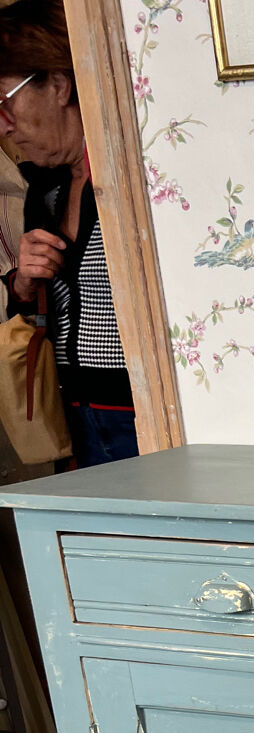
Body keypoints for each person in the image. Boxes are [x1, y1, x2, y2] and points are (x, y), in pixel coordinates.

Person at [0, 0, 136, 467]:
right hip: (72, 418)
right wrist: (22, 283)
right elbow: (39, 307)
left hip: (144, 418)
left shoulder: (137, 179)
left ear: (58, 84)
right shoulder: (45, 186)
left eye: (4, 102)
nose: (2, 125)